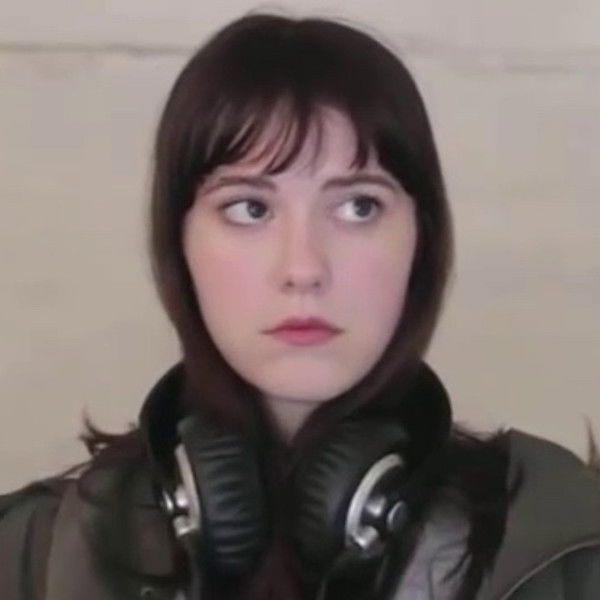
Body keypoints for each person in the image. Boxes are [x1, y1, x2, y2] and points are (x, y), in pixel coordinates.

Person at [1, 11, 599, 600]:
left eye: (359, 207)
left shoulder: (572, 559)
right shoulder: (29, 555)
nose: (304, 269)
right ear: (178, 245)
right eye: (250, 208)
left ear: (422, 239)